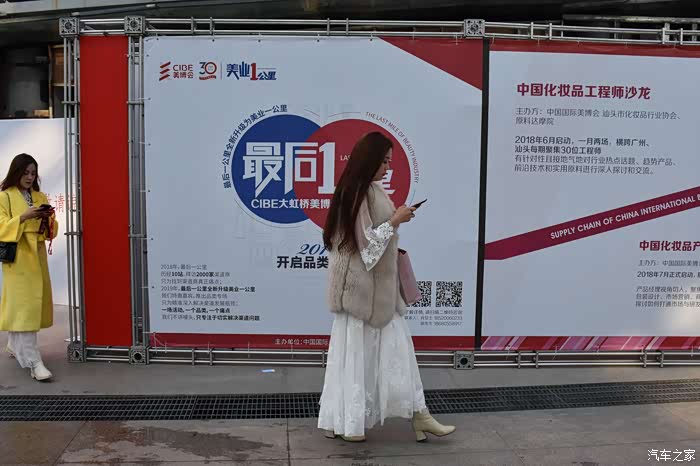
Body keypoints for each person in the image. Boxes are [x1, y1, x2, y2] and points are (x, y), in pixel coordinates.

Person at [318, 132, 455, 442]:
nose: (388, 167)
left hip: (375, 294)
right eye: (384, 161)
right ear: (369, 160)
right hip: (362, 295)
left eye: (389, 161)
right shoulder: (357, 192)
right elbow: (366, 249)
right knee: (363, 357)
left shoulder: (364, 189)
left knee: (370, 357)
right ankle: (394, 419)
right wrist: (395, 220)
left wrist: (394, 220)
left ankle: (412, 415)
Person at [0, 153, 58, 381]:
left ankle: (15, 345)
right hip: (18, 260)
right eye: (25, 172)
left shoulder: (39, 196)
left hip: (38, 257)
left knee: (27, 307)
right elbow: (1, 226)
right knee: (24, 308)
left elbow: (50, 231)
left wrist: (47, 218)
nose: (29, 177)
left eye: (33, 173)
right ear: (16, 172)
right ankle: (34, 362)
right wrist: (23, 217)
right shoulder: (4, 196)